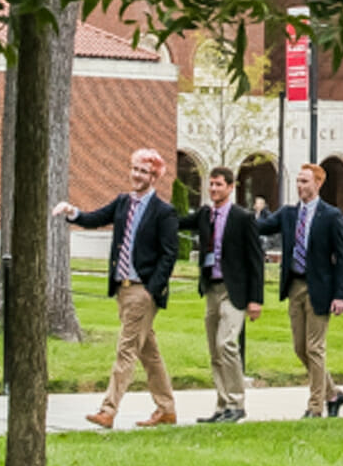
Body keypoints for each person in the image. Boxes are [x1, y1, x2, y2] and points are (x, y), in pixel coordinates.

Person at [56, 147, 182, 428]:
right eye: (135, 169)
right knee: (149, 353)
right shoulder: (123, 202)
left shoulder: (164, 212)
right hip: (122, 289)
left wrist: (152, 289)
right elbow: (94, 219)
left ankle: (108, 410)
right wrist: (71, 211)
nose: (137, 175)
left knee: (125, 350)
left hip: (142, 290)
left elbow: (169, 254)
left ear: (154, 176)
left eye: (143, 171)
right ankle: (167, 409)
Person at [256, 162, 343, 417]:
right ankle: (334, 393)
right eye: (298, 181)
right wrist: (239, 217)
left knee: (315, 348)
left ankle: (315, 407)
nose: (300, 186)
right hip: (295, 285)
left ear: (318, 184)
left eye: (305, 181)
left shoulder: (330, 215)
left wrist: (341, 295)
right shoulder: (288, 213)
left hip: (320, 288)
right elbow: (261, 227)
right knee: (300, 348)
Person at [178, 165, 264, 424]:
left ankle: (237, 403)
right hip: (211, 289)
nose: (214, 189)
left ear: (231, 187)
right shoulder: (206, 215)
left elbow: (256, 260)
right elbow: (177, 221)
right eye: (211, 184)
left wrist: (255, 300)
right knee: (214, 351)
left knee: (226, 343)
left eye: (219, 185)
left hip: (234, 290)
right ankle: (222, 405)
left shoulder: (242, 217)